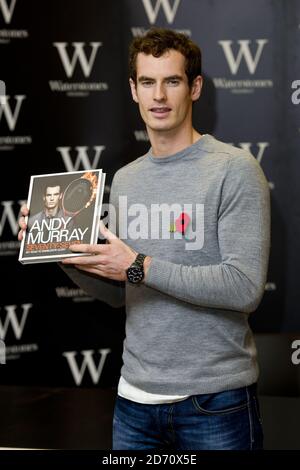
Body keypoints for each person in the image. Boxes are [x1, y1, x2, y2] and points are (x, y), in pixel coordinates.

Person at [19, 28, 271, 450]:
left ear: (195, 87)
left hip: (213, 402)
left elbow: (244, 287)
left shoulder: (234, 168)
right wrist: (62, 249)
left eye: (172, 81)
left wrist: (138, 264)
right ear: (133, 90)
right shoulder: (127, 178)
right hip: (134, 400)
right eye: (148, 82)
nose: (159, 96)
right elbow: (120, 291)